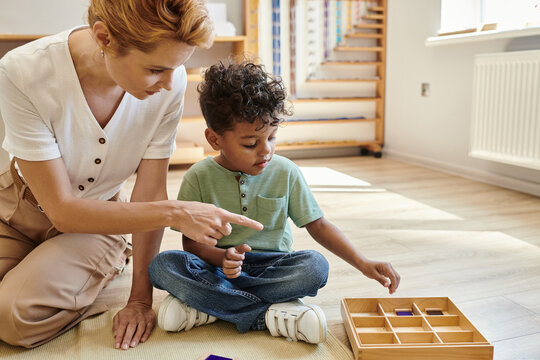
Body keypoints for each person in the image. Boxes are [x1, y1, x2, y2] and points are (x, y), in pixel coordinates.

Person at [0, 0, 263, 351]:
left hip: (100, 220)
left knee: (13, 318)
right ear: (104, 38)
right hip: (14, 211)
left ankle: (108, 257)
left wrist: (140, 299)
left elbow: (150, 189)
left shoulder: (169, 84)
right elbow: (61, 208)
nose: (170, 85)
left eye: (176, 68)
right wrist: (179, 212)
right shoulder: (23, 70)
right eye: (155, 69)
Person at [148, 61, 401, 344]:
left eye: (271, 137)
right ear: (214, 139)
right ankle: (270, 313)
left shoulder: (285, 171)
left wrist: (362, 262)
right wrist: (222, 258)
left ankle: (211, 307)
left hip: (273, 267)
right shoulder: (198, 177)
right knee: (163, 265)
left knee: (315, 267)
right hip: (217, 268)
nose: (265, 150)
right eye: (250, 143)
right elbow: (192, 244)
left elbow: (318, 225)